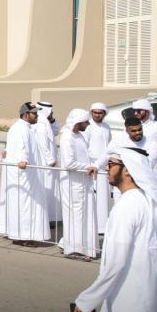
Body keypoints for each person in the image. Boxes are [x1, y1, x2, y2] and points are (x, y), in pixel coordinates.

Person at [72, 147, 157, 312]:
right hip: (136, 296)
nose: (107, 169)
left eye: (112, 164)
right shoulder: (146, 202)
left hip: (130, 303)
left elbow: (116, 262)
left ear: (128, 171)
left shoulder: (128, 205)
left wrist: (87, 300)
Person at [0, 103, 50, 246]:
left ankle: (22, 234)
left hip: (27, 174)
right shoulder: (21, 128)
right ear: (26, 114)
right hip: (23, 174)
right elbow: (22, 146)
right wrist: (23, 159)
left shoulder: (24, 128)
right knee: (24, 205)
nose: (37, 115)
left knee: (25, 205)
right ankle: (22, 236)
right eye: (34, 113)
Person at [59, 109, 99, 259]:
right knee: (75, 216)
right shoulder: (67, 137)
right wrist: (88, 167)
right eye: (85, 121)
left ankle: (87, 248)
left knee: (85, 215)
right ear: (78, 122)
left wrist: (95, 164)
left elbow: (86, 157)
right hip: (73, 183)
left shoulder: (80, 136)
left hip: (83, 182)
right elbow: (69, 163)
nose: (88, 124)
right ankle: (74, 248)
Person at [83, 102, 112, 234]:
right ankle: (94, 225)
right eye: (95, 112)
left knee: (104, 197)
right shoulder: (88, 127)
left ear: (104, 114)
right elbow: (85, 147)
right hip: (93, 166)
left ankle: (103, 226)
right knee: (94, 196)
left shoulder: (106, 126)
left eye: (100, 112)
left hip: (104, 167)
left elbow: (109, 147)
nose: (97, 115)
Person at [34, 102, 62, 224]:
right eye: (51, 111)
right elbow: (42, 143)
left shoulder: (45, 121)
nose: (52, 113)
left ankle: (50, 217)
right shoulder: (40, 123)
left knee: (51, 190)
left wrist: (52, 119)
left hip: (49, 163)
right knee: (47, 190)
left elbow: (55, 131)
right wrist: (50, 159)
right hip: (45, 163)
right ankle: (46, 218)